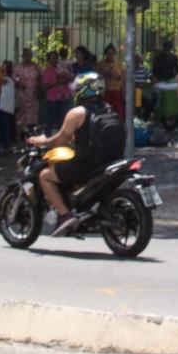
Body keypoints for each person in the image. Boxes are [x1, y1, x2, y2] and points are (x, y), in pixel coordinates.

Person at [32, 69, 127, 236]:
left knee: (45, 175)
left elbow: (59, 140)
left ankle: (64, 215)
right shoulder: (109, 110)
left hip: (85, 164)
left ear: (83, 90)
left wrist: (43, 141)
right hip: (108, 162)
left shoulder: (76, 113)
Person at [100, 44, 127, 118]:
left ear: (115, 54)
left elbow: (124, 78)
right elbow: (97, 77)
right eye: (108, 53)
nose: (110, 55)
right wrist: (105, 73)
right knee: (106, 111)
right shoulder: (100, 64)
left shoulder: (120, 64)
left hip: (117, 91)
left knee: (118, 111)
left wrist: (118, 76)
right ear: (105, 54)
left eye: (112, 53)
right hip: (105, 91)